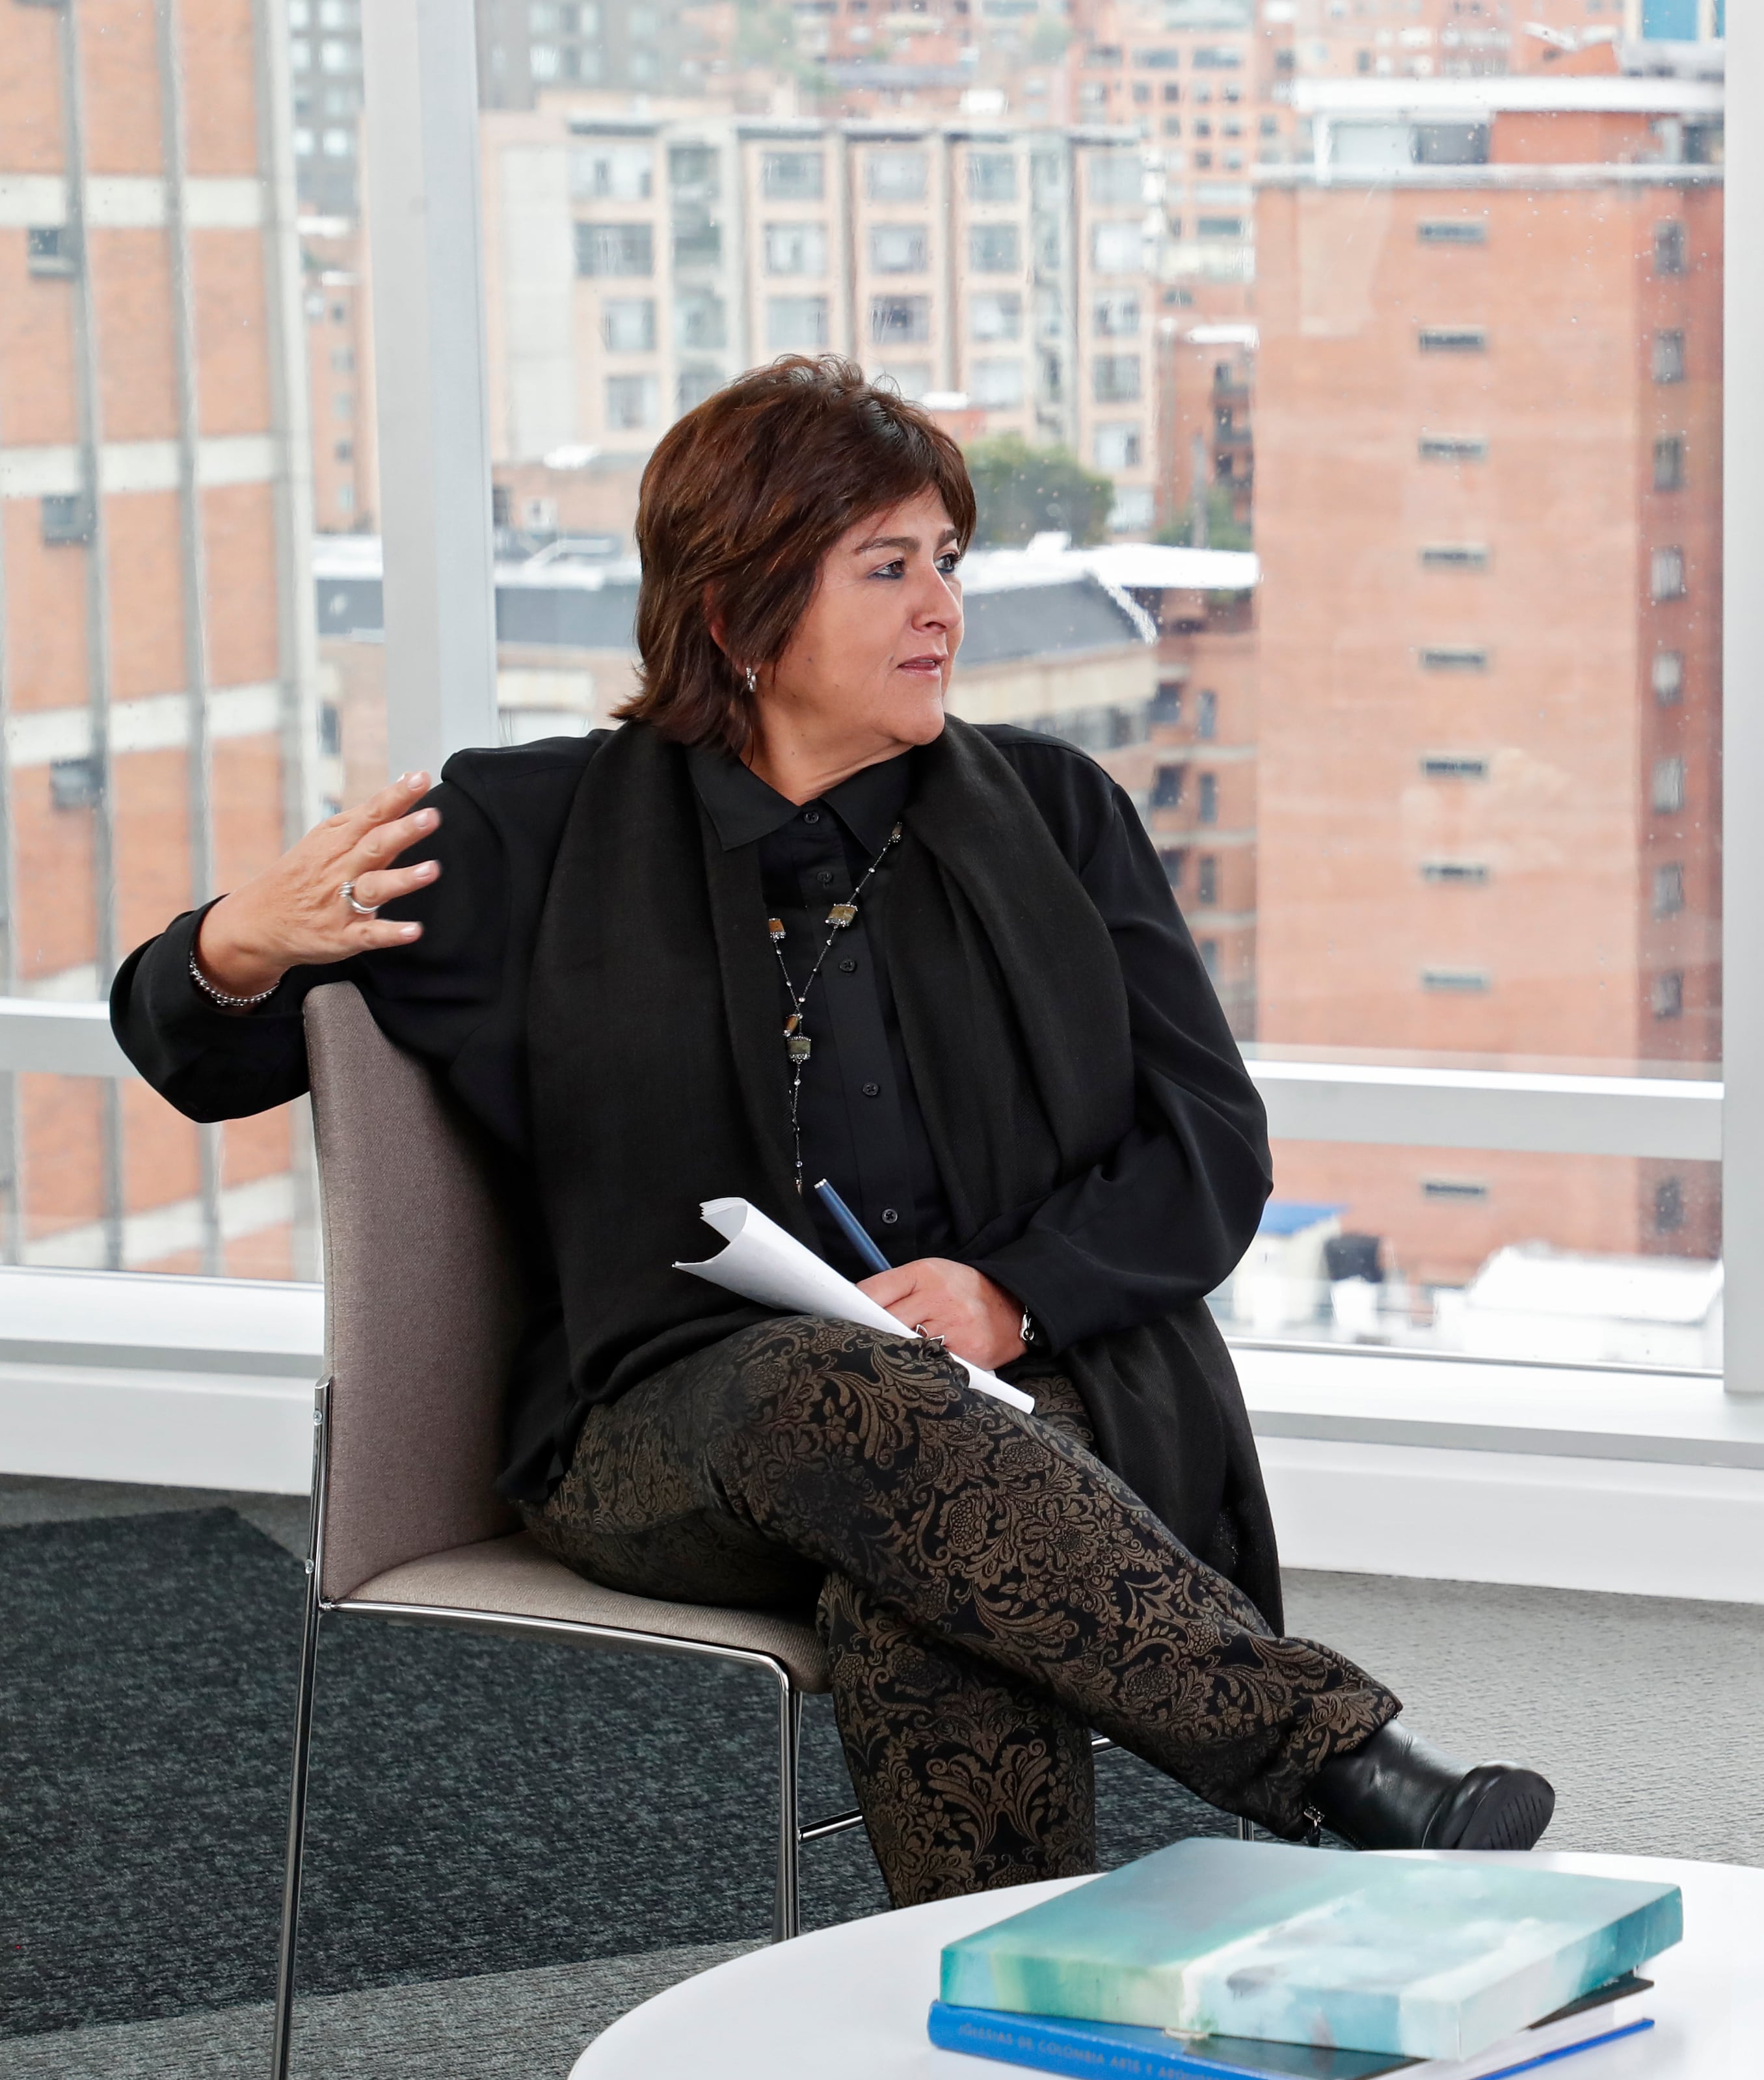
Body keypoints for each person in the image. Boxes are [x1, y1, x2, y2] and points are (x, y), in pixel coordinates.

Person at [114, 355, 1553, 1904]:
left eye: (948, 559)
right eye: (888, 565)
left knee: (923, 1585)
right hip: (660, 1430)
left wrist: (1010, 1292)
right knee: (834, 1396)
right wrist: (234, 944)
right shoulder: (523, 839)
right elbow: (197, 1052)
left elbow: (1209, 1146)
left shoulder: (1061, 817)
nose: (942, 604)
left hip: (1022, 1402)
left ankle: (997, 2046)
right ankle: (1339, 1761)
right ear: (733, 616)